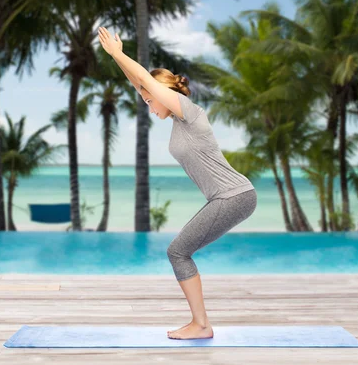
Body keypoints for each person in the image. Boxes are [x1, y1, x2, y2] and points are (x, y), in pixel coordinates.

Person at [98, 27, 257, 340]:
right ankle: (200, 323)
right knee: (180, 252)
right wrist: (116, 59)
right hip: (227, 197)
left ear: (162, 93)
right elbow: (141, 82)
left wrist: (119, 54)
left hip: (234, 195)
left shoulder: (190, 113)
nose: (148, 106)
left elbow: (146, 82)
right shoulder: (175, 120)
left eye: (149, 100)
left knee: (178, 252)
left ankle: (201, 325)